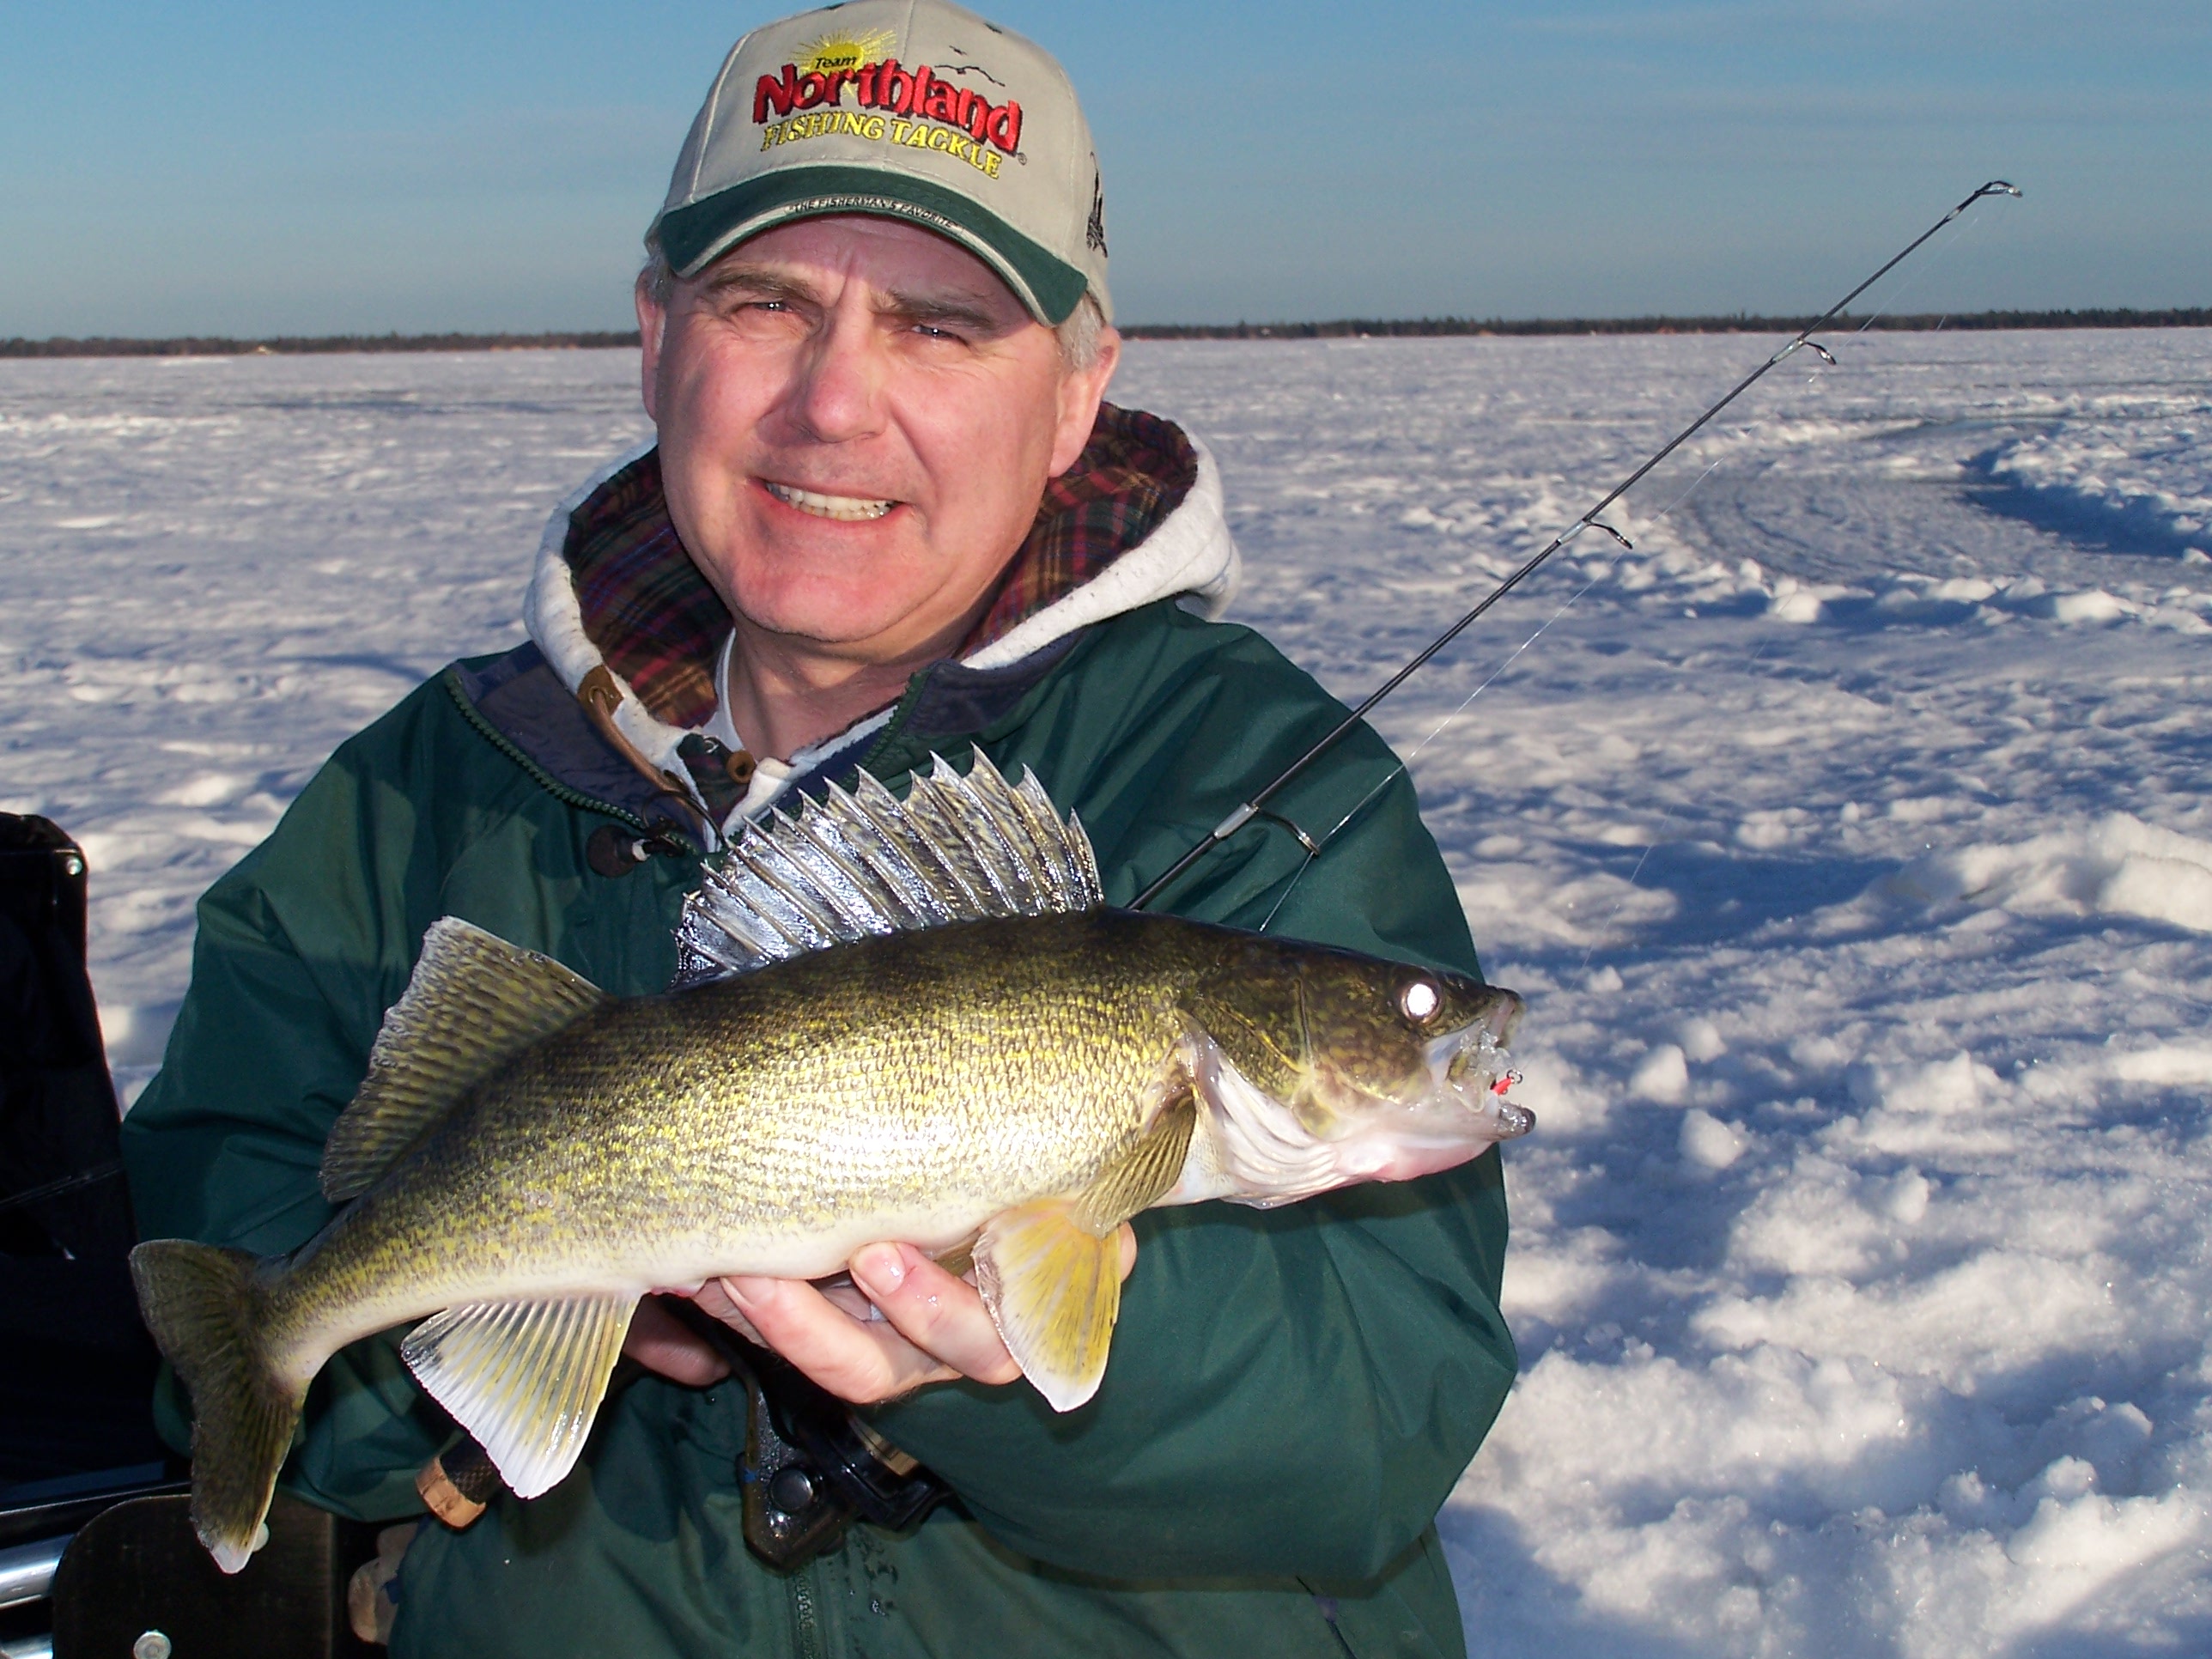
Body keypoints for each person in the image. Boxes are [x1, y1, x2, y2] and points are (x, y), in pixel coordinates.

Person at [118, 2, 1517, 1653]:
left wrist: (1024, 1362)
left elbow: (1382, 1416)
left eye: (942, 327)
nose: (835, 403)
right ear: (656, 336)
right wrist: (444, 1344)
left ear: (1075, 394)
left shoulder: (1255, 777)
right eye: (766, 302)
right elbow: (222, 1221)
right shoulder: (419, 796)